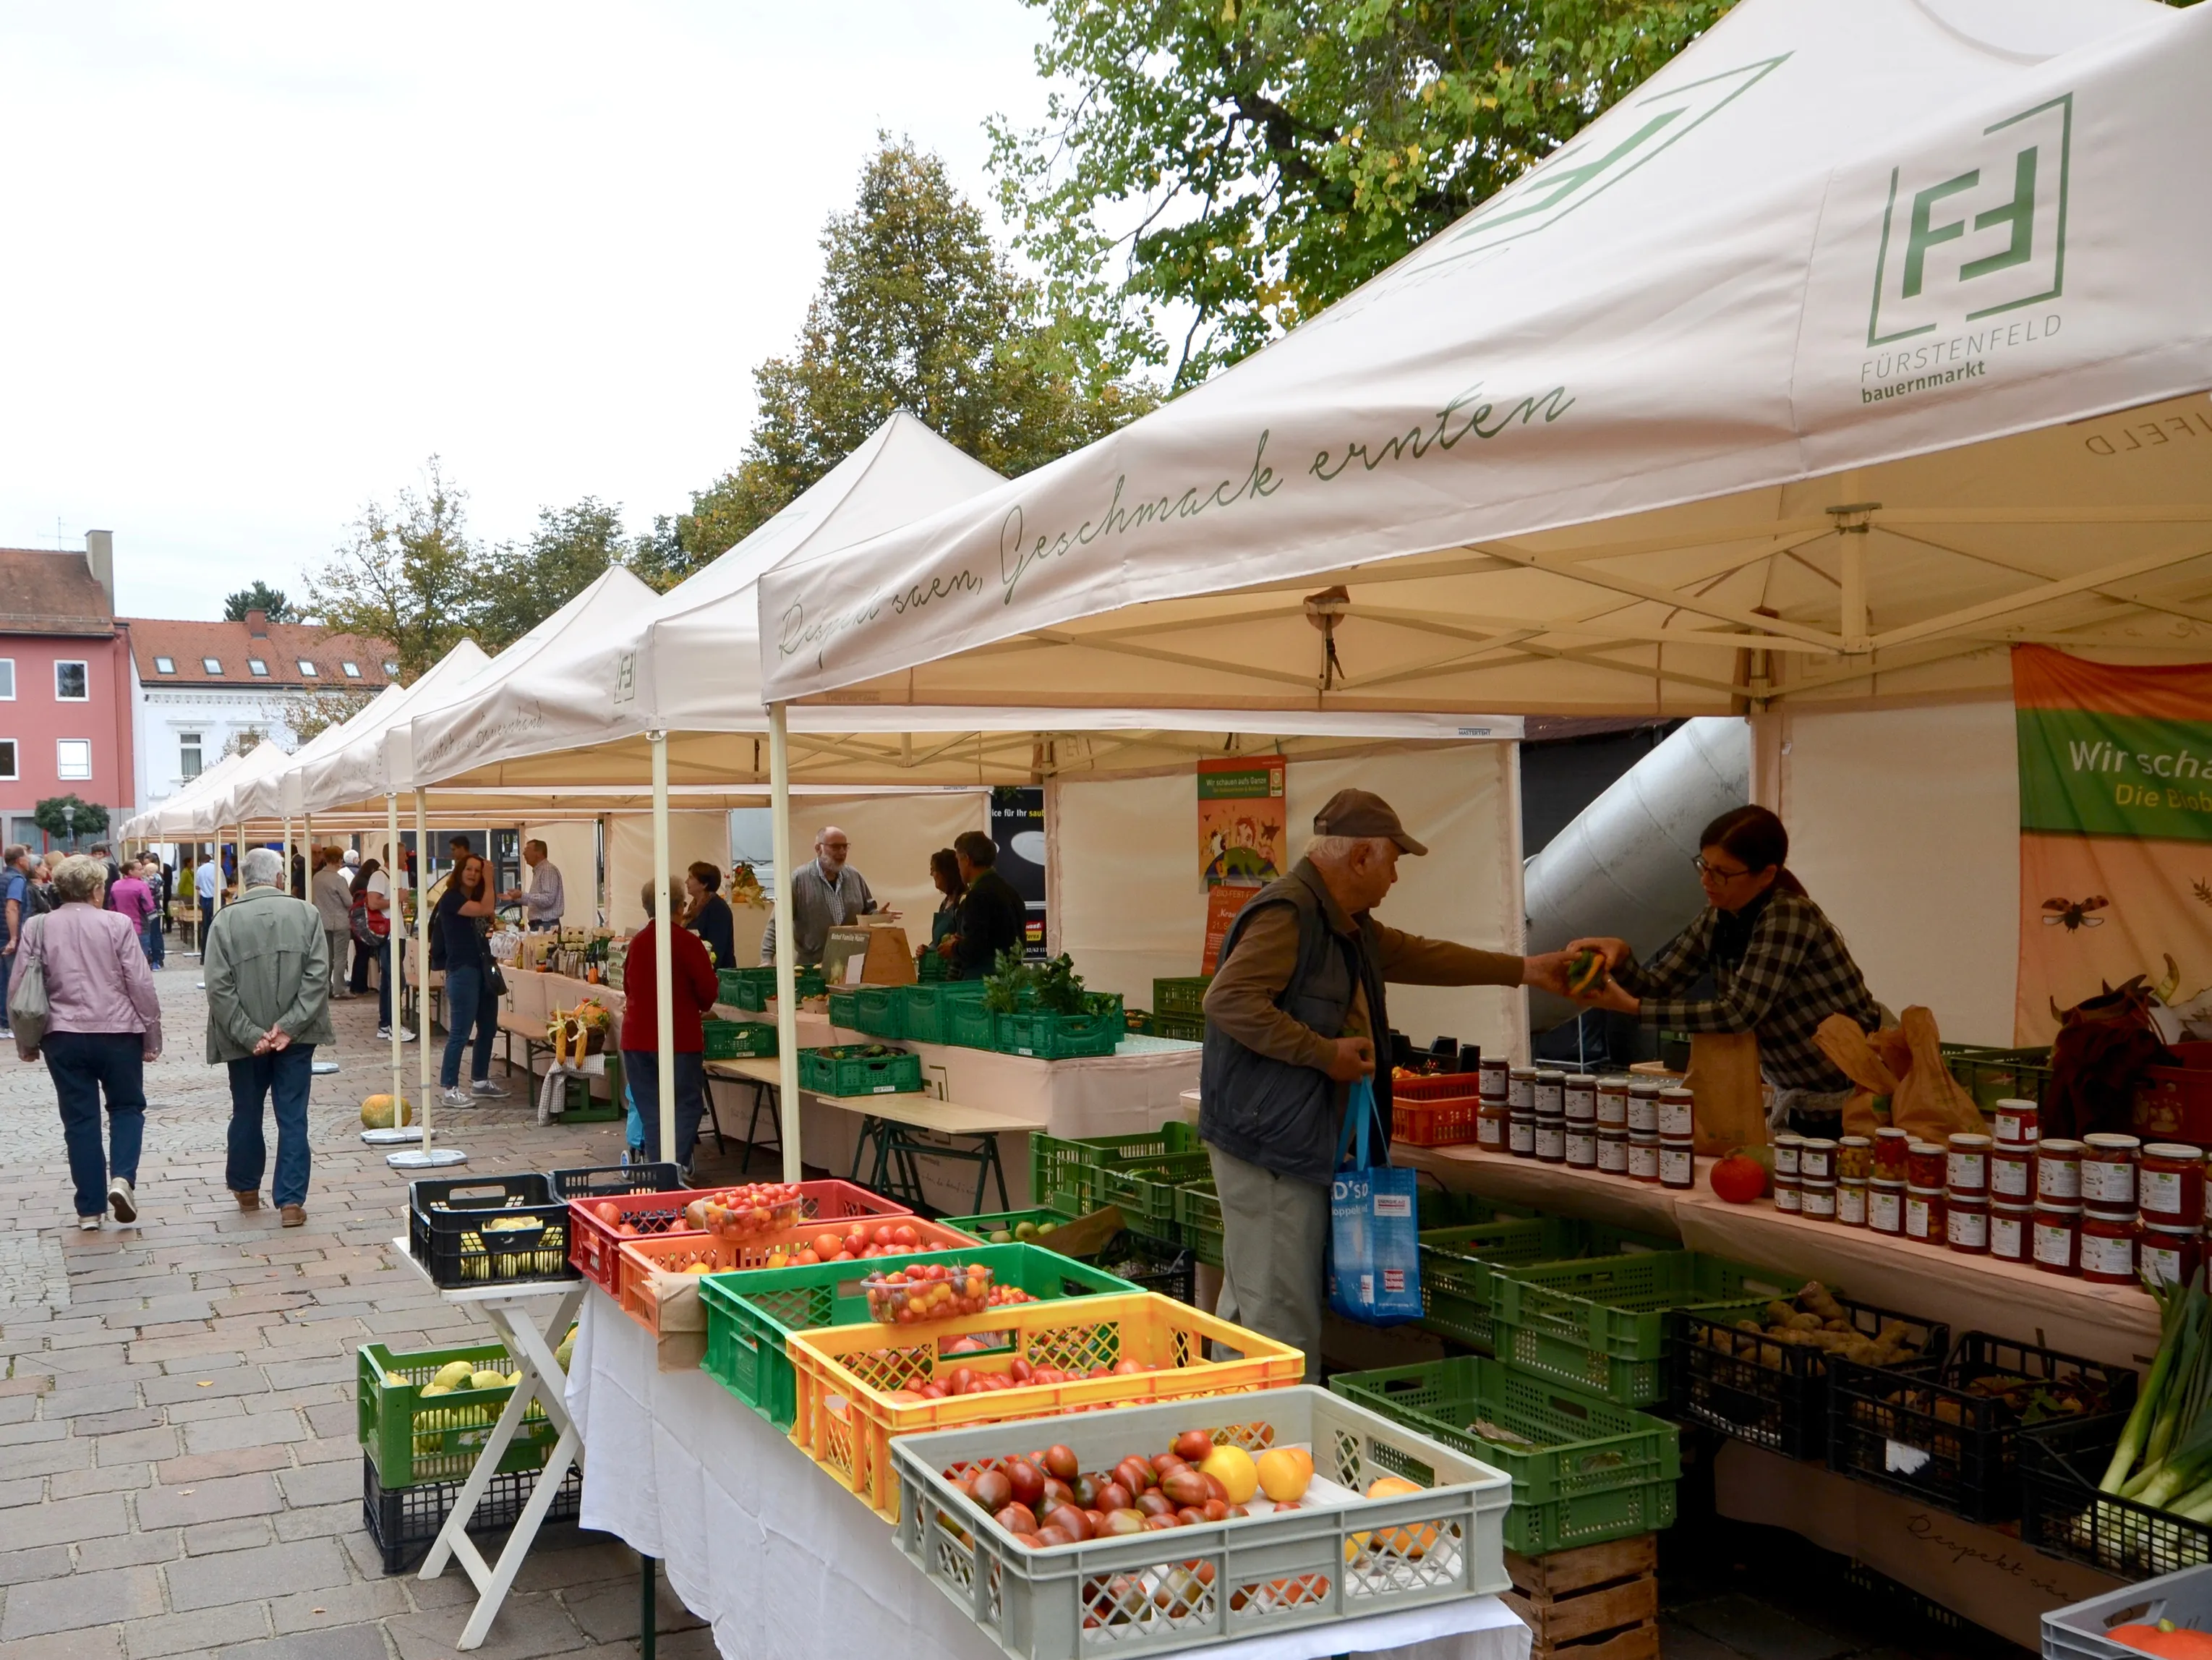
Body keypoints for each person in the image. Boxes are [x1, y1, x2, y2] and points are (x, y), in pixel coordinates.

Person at [1199, 790, 1579, 1379]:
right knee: (1281, 1321)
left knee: (1255, 1305)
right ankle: (1280, 1453)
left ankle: (1238, 1437)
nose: (1396, 875)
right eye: (1393, 860)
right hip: (1270, 1144)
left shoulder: (1343, 924)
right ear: (1360, 858)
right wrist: (1325, 1054)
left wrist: (1525, 970)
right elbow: (1228, 1000)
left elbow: (1423, 956)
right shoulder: (1290, 913)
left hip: (1279, 1137)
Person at [1566, 805, 1881, 1128]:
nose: (1706, 880)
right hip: (1803, 1094)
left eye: (1722, 872)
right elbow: (1657, 985)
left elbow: (1739, 1013)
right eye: (1704, 865)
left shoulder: (1788, 914)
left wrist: (1634, 1008)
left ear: (1767, 875)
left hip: (1857, 1095)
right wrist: (1621, 957)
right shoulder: (1717, 917)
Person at [11, 854, 161, 1230]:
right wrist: (151, 1035)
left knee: (79, 1119)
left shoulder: (38, 926)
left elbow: (20, 987)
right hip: (118, 1032)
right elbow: (139, 983)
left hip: (61, 1035)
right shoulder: (117, 924)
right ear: (97, 890)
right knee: (127, 1108)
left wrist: (25, 1042)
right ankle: (122, 1179)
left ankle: (89, 1210)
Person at [204, 846, 332, 1226]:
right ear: (280, 878)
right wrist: (289, 1026)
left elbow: (218, 986)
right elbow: (317, 976)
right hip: (297, 1035)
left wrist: (250, 1034)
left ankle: (246, 1189)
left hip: (245, 1041)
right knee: (292, 1116)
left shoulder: (224, 921)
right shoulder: (306, 914)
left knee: (246, 1109)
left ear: (245, 879)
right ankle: (290, 1201)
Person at [620, 877, 721, 1177]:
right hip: (680, 1039)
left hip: (637, 1039)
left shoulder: (638, 942)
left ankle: (660, 1168)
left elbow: (628, 986)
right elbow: (707, 994)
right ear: (681, 906)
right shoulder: (688, 942)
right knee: (687, 1102)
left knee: (651, 1108)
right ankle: (674, 1166)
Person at [759, 825, 884, 968]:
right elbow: (777, 922)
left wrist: (879, 916)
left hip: (851, 963)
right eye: (836, 847)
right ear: (818, 848)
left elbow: (868, 912)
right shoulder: (799, 879)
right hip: (811, 966)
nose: (842, 852)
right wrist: (766, 958)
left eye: (845, 847)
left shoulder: (854, 876)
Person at [435, 854, 505, 1108]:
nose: (474, 874)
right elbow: (487, 909)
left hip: (482, 968)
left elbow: (488, 911)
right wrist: (490, 876)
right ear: (459, 871)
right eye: (469, 869)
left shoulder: (475, 897)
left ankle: (480, 1080)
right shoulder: (452, 898)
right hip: (462, 970)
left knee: (488, 1027)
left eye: (478, 870)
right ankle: (450, 1088)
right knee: (460, 1032)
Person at [940, 832, 1024, 980]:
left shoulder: (977, 895)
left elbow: (976, 946)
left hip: (984, 984)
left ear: (967, 860)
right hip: (1012, 979)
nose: (958, 867)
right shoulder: (1011, 892)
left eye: (958, 860)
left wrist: (953, 948)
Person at [309, 848, 354, 1001]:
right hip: (340, 922)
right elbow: (349, 902)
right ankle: (340, 989)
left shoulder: (317, 878)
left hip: (323, 921)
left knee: (326, 957)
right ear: (339, 859)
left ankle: (326, 986)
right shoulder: (338, 879)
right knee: (340, 957)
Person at [1, 843, 35, 1034]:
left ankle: (3, 1023)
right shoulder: (17, 880)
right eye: (27, 857)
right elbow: (12, 906)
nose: (29, 860)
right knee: (12, 981)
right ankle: (8, 1024)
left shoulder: (3, 877)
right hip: (8, 936)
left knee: (2, 981)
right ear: (20, 861)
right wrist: (14, 938)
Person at [500, 839, 565, 932]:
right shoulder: (539, 871)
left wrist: (522, 895)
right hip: (541, 926)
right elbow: (536, 902)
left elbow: (548, 899)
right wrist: (516, 898)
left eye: (528, 849)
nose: (524, 853)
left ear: (539, 853)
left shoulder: (547, 870)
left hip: (547, 926)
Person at [681, 861, 735, 969]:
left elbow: (716, 950)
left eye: (691, 878)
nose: (686, 882)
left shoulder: (717, 908)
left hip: (717, 974)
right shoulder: (694, 907)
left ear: (704, 884)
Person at [920, 848, 965, 963]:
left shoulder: (963, 901)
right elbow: (939, 941)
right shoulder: (945, 903)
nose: (931, 874)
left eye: (933, 870)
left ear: (946, 872)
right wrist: (928, 949)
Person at [108, 858, 158, 961]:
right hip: (140, 927)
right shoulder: (142, 886)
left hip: (120, 927)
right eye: (139, 870)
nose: (143, 871)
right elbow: (149, 907)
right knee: (140, 961)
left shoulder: (115, 885)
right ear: (130, 871)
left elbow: (112, 907)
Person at [195, 847, 222, 940]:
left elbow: (197, 887)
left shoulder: (200, 869)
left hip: (204, 899)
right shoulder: (218, 869)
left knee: (206, 926)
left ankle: (204, 950)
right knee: (218, 926)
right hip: (216, 899)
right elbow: (223, 889)